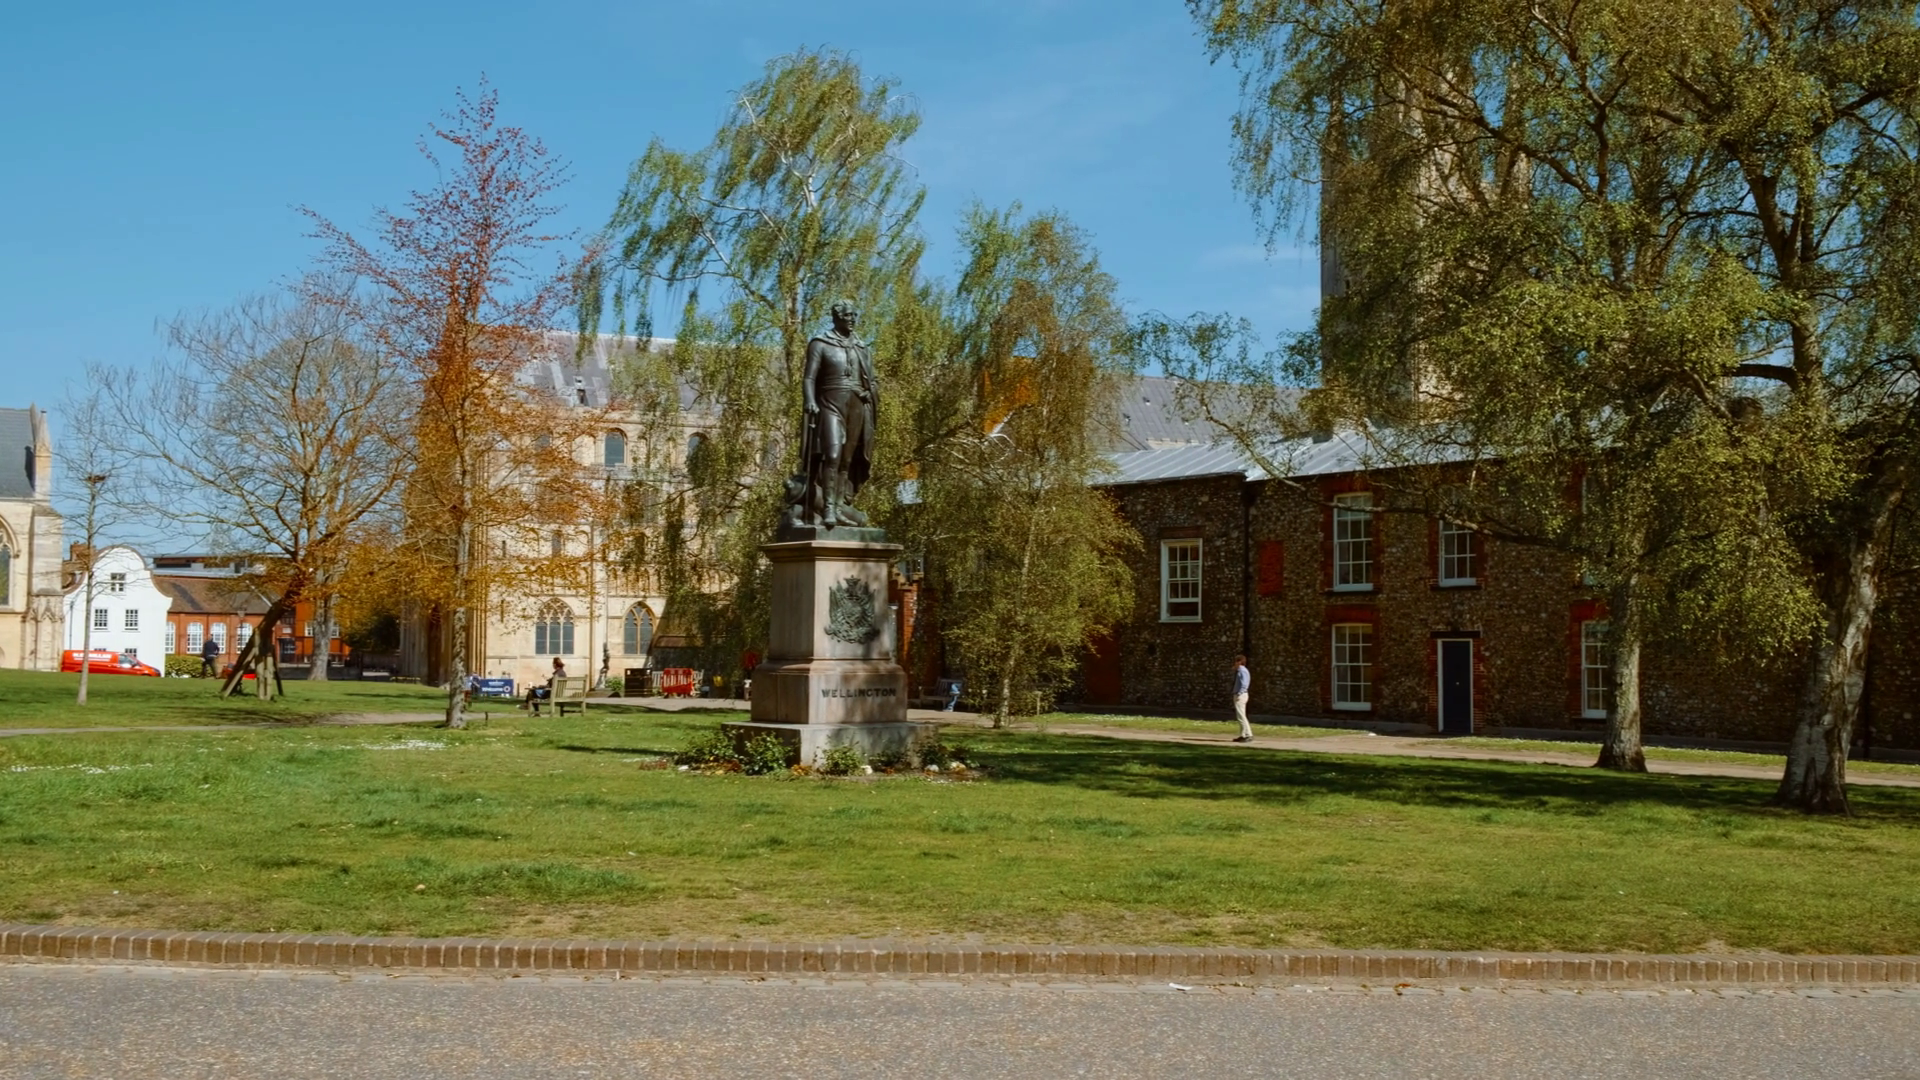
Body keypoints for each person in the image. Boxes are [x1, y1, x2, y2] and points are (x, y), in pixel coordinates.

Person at [1231, 654, 1253, 742]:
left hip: (1241, 695)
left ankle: (1248, 735)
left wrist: (1239, 693)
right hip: (1241, 694)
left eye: (1236, 661)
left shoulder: (1242, 671)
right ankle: (1243, 734)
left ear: (1239, 662)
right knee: (1240, 716)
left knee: (1241, 716)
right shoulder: (1242, 671)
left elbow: (1244, 684)